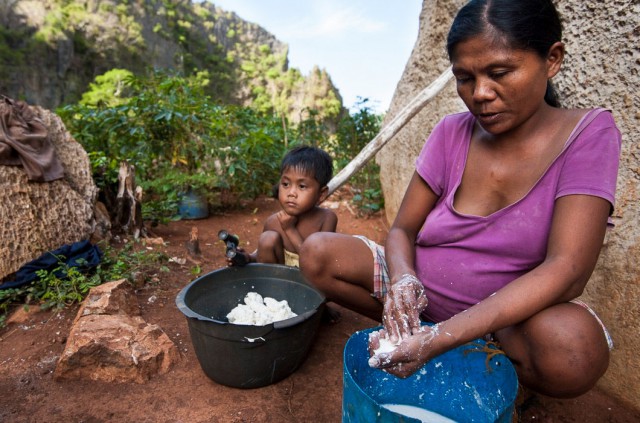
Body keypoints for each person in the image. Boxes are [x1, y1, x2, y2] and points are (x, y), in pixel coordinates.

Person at [299, 0, 621, 398]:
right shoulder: (452, 132)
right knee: (317, 254)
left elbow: (568, 269)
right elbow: (402, 229)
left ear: (552, 59)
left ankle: (476, 354)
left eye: (500, 72)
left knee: (574, 350)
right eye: (464, 78)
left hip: (503, 320)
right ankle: (422, 337)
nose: (481, 93)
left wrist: (443, 337)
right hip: (424, 298)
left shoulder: (588, 134)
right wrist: (403, 280)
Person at [228, 145, 337, 268]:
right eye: (285, 184)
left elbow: (317, 264)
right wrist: (248, 258)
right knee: (267, 238)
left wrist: (290, 230)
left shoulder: (326, 219)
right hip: (279, 280)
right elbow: (263, 255)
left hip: (311, 282)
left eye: (302, 186)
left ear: (321, 194)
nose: (291, 193)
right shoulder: (273, 222)